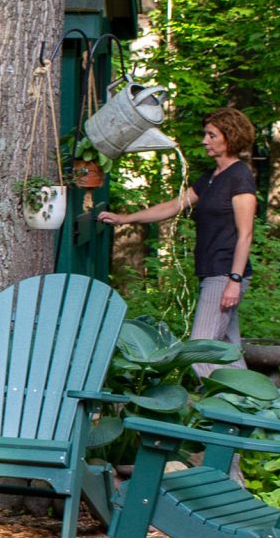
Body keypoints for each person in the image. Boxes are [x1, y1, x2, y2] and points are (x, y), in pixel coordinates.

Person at [99, 107, 258, 376]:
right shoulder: (211, 178)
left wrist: (234, 279)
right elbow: (173, 206)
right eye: (205, 134)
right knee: (226, 351)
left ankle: (220, 413)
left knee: (200, 354)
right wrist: (125, 218)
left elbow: (246, 235)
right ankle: (251, 409)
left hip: (224, 274)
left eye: (211, 135)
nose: (204, 140)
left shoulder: (240, 177)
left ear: (229, 137)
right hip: (212, 272)